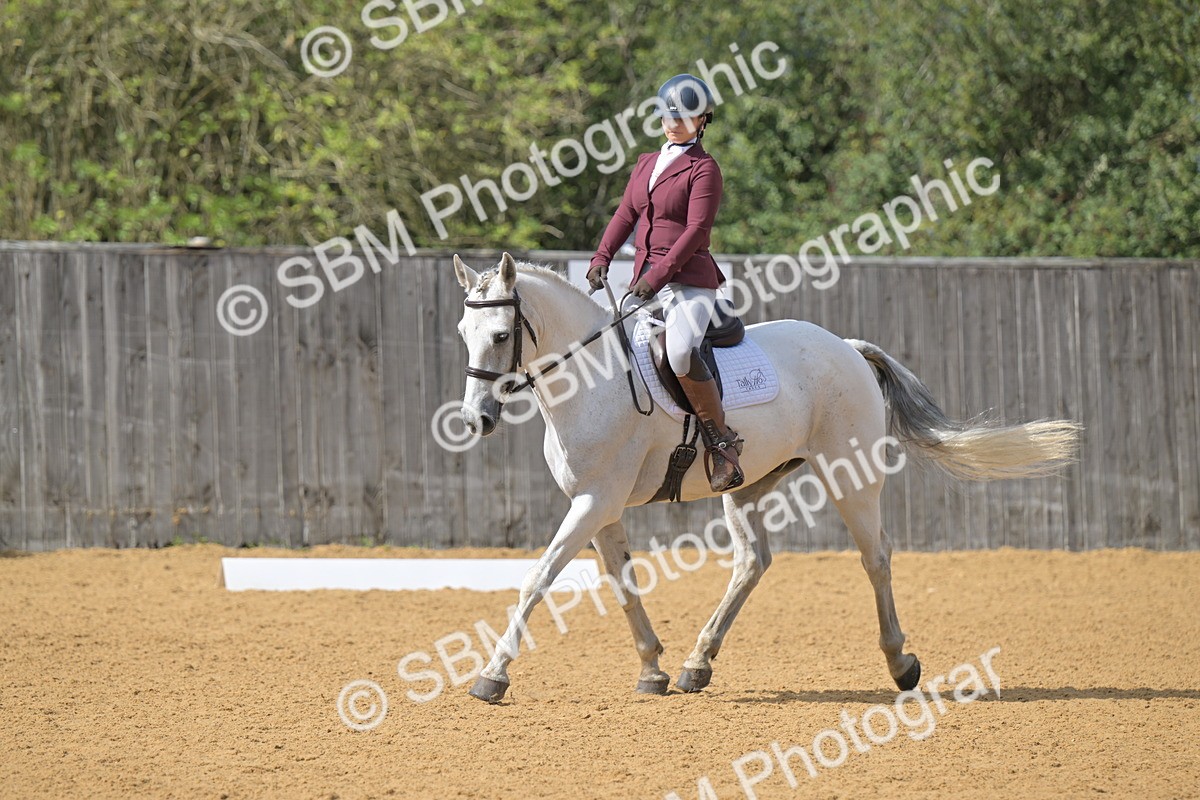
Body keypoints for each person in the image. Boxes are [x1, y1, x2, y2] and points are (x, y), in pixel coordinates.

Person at [587, 74, 744, 492]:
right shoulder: (645, 164)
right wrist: (601, 257)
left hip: (690, 282)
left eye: (685, 117)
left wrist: (657, 277)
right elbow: (625, 215)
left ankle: (722, 443)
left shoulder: (704, 170)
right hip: (646, 282)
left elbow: (696, 232)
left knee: (678, 351)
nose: (673, 123)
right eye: (668, 115)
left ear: (703, 120)